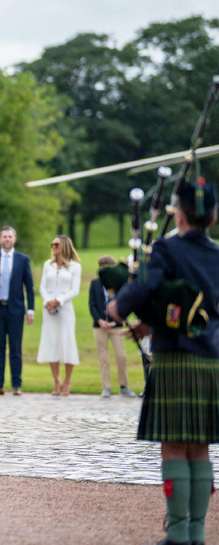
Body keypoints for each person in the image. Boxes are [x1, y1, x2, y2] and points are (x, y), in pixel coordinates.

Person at [110, 179, 219, 545]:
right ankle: (197, 533)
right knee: (200, 448)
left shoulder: (166, 248)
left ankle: (176, 534)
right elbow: (195, 307)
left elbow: (144, 285)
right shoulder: (218, 254)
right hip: (210, 361)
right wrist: (152, 323)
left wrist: (117, 307)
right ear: (213, 217)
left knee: (173, 446)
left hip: (174, 358)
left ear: (180, 215)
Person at [0, 227, 35, 396]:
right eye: (4, 237)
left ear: (14, 239)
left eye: (10, 236)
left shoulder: (22, 259)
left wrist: (30, 309)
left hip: (16, 310)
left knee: (15, 348)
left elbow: (29, 286)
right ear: (0, 239)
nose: (7, 239)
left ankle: (16, 385)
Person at [36, 235, 82, 396]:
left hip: (65, 309)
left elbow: (75, 289)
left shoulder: (75, 266)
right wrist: (48, 301)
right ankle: (57, 380)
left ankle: (67, 381)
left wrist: (58, 300)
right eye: (52, 244)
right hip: (49, 310)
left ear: (64, 246)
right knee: (51, 342)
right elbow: (42, 287)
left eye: (56, 244)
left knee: (66, 341)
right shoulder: (47, 265)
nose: (53, 246)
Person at [88, 255, 136, 398]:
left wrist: (116, 321)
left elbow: (123, 302)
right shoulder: (95, 283)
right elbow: (92, 305)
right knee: (103, 357)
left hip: (116, 325)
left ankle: (124, 385)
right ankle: (106, 387)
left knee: (121, 355)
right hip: (100, 326)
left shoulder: (118, 283)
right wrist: (100, 321)